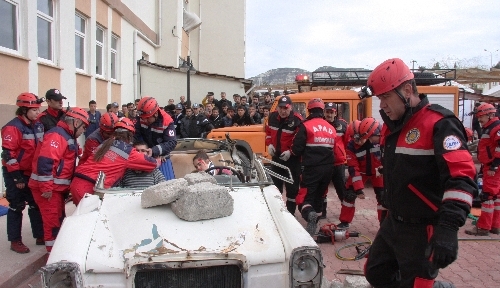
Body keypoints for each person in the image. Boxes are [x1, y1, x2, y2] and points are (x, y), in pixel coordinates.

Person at [361, 58, 477, 288]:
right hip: (395, 223)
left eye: (385, 97)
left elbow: (461, 177)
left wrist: (449, 228)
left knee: (416, 285)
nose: (381, 105)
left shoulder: (439, 124)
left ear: (406, 90)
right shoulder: (392, 125)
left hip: (423, 228)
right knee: (375, 272)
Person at [29, 107, 89, 252]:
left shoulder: (66, 136)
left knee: (58, 221)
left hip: (55, 189)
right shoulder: (57, 136)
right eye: (84, 127)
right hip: (49, 190)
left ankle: (58, 253)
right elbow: (46, 162)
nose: (84, 131)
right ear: (75, 123)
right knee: (53, 225)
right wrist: (46, 188)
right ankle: (52, 258)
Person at [71, 119, 159, 204]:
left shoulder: (105, 144)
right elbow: (151, 163)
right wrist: (158, 160)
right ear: (130, 136)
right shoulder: (127, 151)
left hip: (77, 183)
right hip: (88, 188)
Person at [1, 93, 45, 253]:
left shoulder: (37, 125)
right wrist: (16, 177)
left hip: (31, 171)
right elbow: (8, 154)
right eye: (34, 110)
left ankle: (40, 235)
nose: (37, 112)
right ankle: (15, 241)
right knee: (16, 206)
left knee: (35, 203)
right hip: (15, 172)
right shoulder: (12, 128)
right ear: (24, 110)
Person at [292, 99, 336, 235]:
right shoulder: (331, 128)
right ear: (322, 111)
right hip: (329, 168)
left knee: (304, 198)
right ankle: (314, 223)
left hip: (311, 168)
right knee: (319, 197)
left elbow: (296, 149)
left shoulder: (306, 126)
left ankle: (309, 215)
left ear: (309, 110)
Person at [338, 117, 386, 229]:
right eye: (354, 138)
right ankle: (344, 222)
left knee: (383, 197)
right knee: (349, 196)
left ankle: (384, 224)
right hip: (361, 172)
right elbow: (353, 168)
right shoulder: (351, 146)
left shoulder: (375, 140)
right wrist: (358, 189)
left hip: (377, 171)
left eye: (360, 138)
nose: (357, 141)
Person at [465, 103, 500, 236]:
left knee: (487, 196)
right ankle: (495, 225)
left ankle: (483, 227)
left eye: (481, 117)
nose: (479, 120)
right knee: (496, 197)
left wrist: (494, 165)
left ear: (490, 115)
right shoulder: (490, 127)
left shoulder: (495, 128)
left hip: (493, 167)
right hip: (491, 166)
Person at [265, 95, 303, 215]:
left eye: (285, 108)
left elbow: (300, 141)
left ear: (290, 107)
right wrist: (269, 144)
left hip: (292, 161)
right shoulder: (272, 117)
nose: (283, 110)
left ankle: (290, 214)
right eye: (281, 108)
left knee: (292, 190)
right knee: (276, 187)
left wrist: (291, 153)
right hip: (276, 159)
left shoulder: (297, 120)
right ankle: (277, 213)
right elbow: (268, 132)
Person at [322, 102, 348, 219]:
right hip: (324, 163)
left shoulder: (343, 125)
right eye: (327, 112)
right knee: (322, 189)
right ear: (324, 112)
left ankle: (345, 213)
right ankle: (322, 213)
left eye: (331, 112)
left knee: (342, 189)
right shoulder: (320, 125)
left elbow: (347, 142)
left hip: (339, 163)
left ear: (335, 113)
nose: (329, 114)